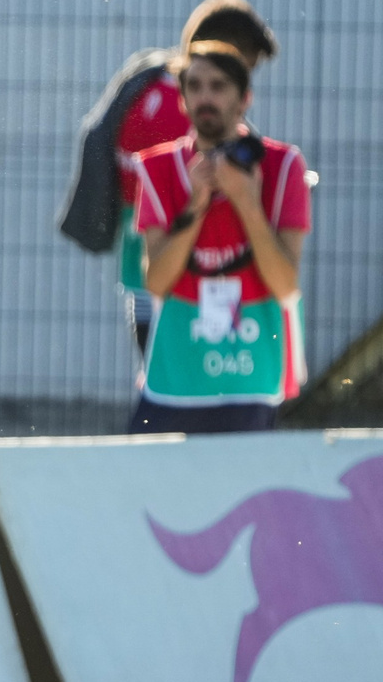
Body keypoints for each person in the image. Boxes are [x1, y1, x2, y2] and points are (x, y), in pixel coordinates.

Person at [59, 0, 280, 356]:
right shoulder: (187, 110)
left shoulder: (150, 85)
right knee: (190, 368)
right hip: (189, 272)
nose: (243, 84)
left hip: (146, 260)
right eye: (242, 67)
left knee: (154, 359)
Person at [129, 43, 311, 434]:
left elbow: (285, 285)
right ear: (182, 100)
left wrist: (246, 201)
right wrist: (197, 203)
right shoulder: (158, 167)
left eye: (218, 86)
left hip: (250, 377)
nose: (205, 97)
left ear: (245, 98)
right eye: (194, 87)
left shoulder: (283, 166)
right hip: (176, 378)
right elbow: (156, 282)